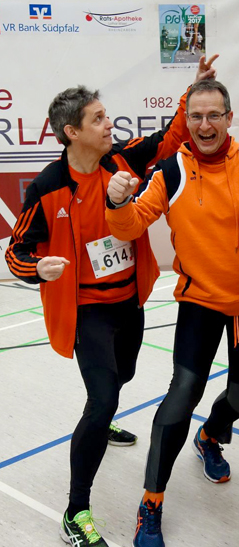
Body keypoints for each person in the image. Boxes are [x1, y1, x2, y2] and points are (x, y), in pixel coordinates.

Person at [4, 56, 217, 547]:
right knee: (101, 403)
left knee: (121, 379)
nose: (110, 125)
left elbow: (169, 137)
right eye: (98, 119)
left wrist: (194, 90)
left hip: (130, 303)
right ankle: (76, 511)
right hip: (87, 313)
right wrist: (37, 268)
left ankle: (107, 410)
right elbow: (16, 252)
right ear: (70, 132)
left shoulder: (122, 160)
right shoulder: (46, 188)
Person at [105, 79, 239, 547]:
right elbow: (130, 225)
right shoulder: (170, 172)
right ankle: (151, 502)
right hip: (200, 301)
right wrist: (117, 201)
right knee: (182, 393)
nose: (204, 125)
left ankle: (212, 435)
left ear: (228, 117)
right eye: (196, 116)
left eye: (213, 115)